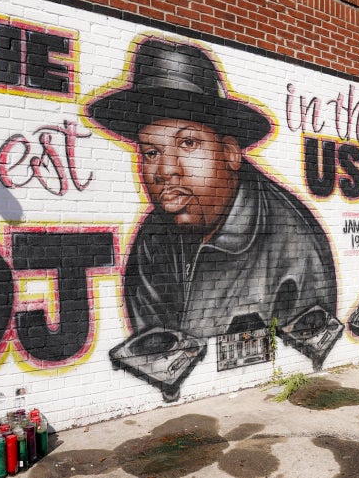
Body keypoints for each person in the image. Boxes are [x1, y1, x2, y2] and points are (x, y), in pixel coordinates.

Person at [85, 37, 341, 400]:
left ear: (231, 153)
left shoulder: (292, 244)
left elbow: (307, 362)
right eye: (152, 151)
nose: (165, 170)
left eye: (188, 144)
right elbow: (155, 359)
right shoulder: (153, 239)